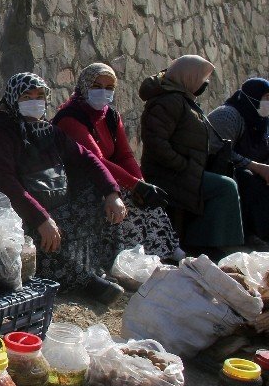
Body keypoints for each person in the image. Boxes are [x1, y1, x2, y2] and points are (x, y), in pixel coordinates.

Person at [0, 73, 128, 304]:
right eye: (27, 96)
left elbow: (88, 158)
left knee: (98, 196)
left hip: (49, 207)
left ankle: (92, 267)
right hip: (9, 217)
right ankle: (78, 280)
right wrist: (41, 219)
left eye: (40, 96)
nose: (35, 101)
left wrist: (112, 193)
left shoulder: (46, 130)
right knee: (38, 236)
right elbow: (7, 188)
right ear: (13, 99)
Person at [53, 63, 181, 260]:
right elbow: (96, 159)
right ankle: (126, 256)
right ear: (85, 85)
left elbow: (125, 155)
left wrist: (141, 184)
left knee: (148, 197)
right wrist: (134, 185)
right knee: (125, 199)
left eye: (109, 87)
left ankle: (163, 248)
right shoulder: (71, 117)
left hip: (107, 176)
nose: (103, 92)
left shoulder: (110, 116)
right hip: (79, 182)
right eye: (97, 86)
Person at [139, 56, 244, 255]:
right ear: (188, 76)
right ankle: (204, 244)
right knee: (225, 187)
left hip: (184, 171)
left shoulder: (182, 98)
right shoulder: (168, 101)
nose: (204, 83)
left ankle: (209, 241)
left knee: (226, 182)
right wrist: (183, 165)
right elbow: (155, 142)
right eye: (201, 77)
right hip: (168, 174)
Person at [207, 78, 269, 243]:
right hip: (227, 167)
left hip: (257, 165)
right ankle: (249, 233)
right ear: (253, 97)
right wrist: (258, 168)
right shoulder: (228, 115)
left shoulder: (262, 120)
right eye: (265, 97)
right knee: (246, 177)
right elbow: (221, 151)